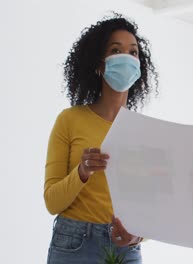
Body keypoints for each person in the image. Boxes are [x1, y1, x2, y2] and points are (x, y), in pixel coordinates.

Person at [44, 13, 158, 264]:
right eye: (116, 50)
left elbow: (153, 210)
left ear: (140, 67)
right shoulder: (69, 120)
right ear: (99, 63)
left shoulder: (145, 131)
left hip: (126, 251)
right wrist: (82, 172)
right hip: (74, 244)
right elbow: (52, 202)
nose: (126, 57)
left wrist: (138, 237)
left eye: (133, 52)